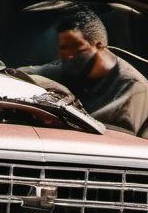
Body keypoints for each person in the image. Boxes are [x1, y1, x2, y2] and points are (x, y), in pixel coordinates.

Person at [25, 8, 148, 137]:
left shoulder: (135, 91)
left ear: (99, 45)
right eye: (63, 48)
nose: (69, 56)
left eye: (77, 47)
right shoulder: (63, 69)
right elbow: (19, 74)